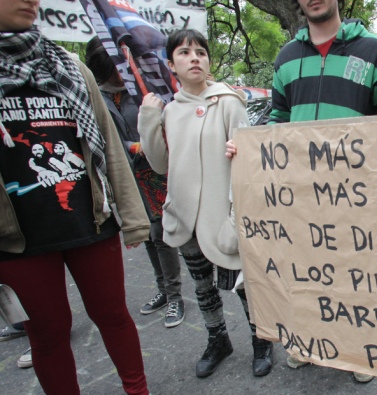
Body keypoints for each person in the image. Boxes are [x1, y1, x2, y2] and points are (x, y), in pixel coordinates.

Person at [0, 0, 151, 393]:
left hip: (90, 220)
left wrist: (132, 215)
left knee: (114, 315)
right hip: (17, 238)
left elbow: (108, 144)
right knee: (48, 335)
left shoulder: (67, 65)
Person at [227, 0, 377, 384]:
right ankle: (309, 343)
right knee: (305, 274)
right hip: (300, 199)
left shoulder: (374, 50)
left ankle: (361, 353)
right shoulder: (286, 57)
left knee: (358, 276)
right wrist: (245, 152)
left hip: (357, 197)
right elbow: (275, 125)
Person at [137, 28, 274, 378]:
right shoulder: (169, 110)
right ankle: (218, 340)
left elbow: (246, 160)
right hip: (186, 217)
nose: (194, 57)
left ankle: (262, 339)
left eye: (200, 51)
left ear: (208, 60)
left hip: (223, 216)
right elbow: (159, 164)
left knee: (242, 284)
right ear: (171, 64)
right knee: (202, 286)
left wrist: (236, 213)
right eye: (184, 52)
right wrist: (149, 117)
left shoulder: (228, 100)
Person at [85, 36, 185, 328]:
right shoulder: (96, 97)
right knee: (145, 235)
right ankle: (163, 289)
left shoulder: (142, 91)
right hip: (124, 176)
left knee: (160, 233)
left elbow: (162, 126)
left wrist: (146, 142)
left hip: (154, 172)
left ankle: (175, 295)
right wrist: (129, 148)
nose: (118, 73)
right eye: (111, 69)